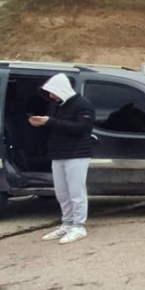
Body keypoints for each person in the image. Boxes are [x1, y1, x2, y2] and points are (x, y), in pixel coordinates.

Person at [31, 74, 96, 245]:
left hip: (77, 154)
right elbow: (55, 125)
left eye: (53, 93)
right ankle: (66, 223)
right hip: (58, 154)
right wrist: (42, 123)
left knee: (76, 192)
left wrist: (49, 121)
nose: (51, 97)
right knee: (62, 192)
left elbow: (81, 128)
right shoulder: (55, 106)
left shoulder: (83, 105)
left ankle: (79, 226)